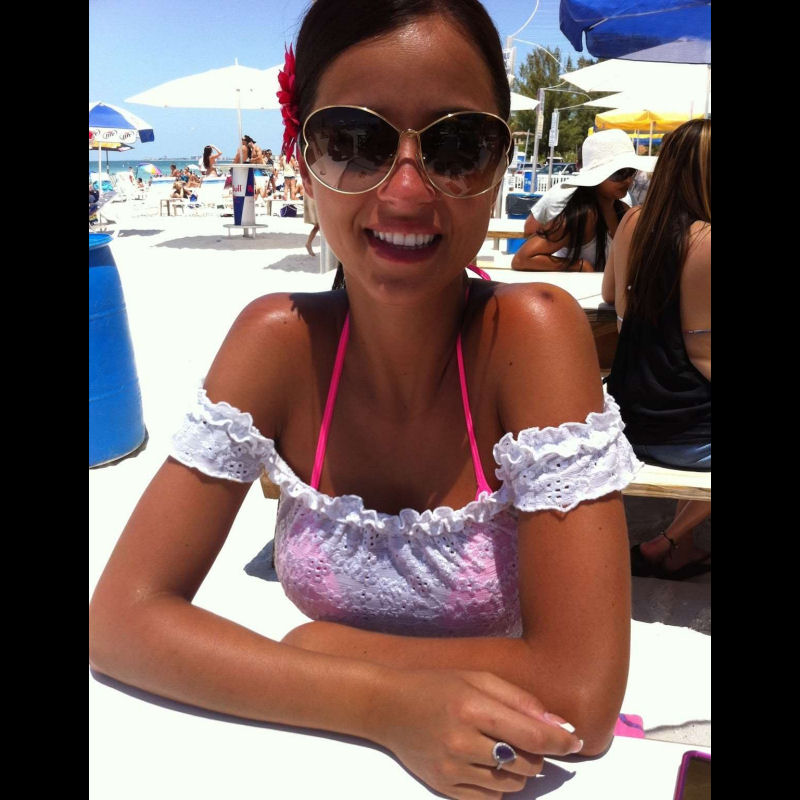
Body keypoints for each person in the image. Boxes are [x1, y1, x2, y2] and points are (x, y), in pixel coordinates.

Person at [89, 2, 639, 797]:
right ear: (302, 160)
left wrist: (322, 647)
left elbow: (581, 697)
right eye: (353, 142)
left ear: (497, 166)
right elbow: (120, 620)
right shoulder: (276, 342)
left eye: (457, 145)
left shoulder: (532, 338)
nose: (406, 191)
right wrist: (383, 705)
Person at [602, 119, 711, 581]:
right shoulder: (706, 240)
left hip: (629, 415)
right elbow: (703, 355)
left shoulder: (631, 222)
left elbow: (611, 298)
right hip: (681, 432)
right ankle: (662, 543)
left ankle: (682, 545)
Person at [511, 129, 656, 272]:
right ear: (596, 176)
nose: (628, 180)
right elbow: (522, 259)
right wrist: (579, 265)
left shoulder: (623, 210)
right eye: (620, 173)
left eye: (631, 172)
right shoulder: (584, 215)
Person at [303, 192, 319, 256]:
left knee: (318, 226)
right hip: (315, 198)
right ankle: (308, 243)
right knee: (318, 226)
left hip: (315, 197)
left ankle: (308, 243)